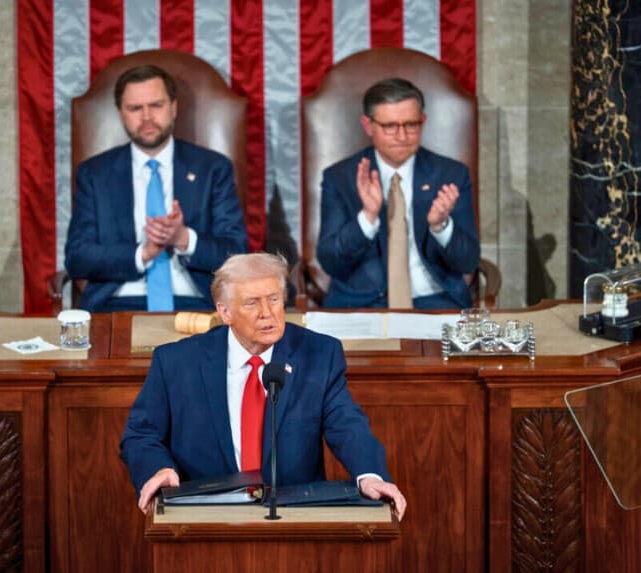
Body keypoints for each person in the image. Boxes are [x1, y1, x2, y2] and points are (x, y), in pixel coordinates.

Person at [120, 253, 406, 520]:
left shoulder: (319, 354)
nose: (267, 313)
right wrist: (158, 469)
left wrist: (371, 476)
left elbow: (347, 425)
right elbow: (141, 434)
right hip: (205, 516)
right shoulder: (176, 362)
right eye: (252, 303)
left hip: (293, 518)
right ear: (225, 312)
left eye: (274, 299)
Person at [64, 65, 248, 313]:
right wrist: (143, 252)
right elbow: (78, 258)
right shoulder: (95, 174)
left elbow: (236, 252)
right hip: (116, 304)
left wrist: (183, 238)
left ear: (173, 108)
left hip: (197, 304)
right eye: (135, 108)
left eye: (156, 105)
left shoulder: (212, 168)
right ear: (121, 113)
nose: (147, 117)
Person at [317, 77, 480, 310]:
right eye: (390, 126)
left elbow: (468, 261)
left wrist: (441, 226)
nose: (402, 137)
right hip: (361, 306)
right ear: (368, 125)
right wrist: (367, 218)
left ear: (423, 122)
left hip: (435, 303)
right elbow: (330, 262)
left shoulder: (451, 174)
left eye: (411, 125)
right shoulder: (340, 178)